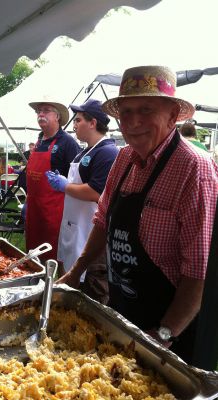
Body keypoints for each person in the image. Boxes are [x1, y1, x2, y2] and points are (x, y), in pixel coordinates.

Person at [57, 65, 218, 364]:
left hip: (170, 329)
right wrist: (76, 272)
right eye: (126, 112)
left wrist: (162, 336)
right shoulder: (124, 159)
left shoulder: (194, 169)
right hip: (123, 309)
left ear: (172, 115)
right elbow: (103, 221)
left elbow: (198, 271)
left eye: (146, 109)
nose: (133, 122)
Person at [46, 99, 119, 304]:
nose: (74, 125)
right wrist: (63, 181)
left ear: (93, 122)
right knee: (70, 281)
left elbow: (96, 192)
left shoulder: (106, 152)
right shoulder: (84, 151)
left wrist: (64, 186)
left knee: (90, 291)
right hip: (73, 227)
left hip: (89, 231)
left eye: (78, 120)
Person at [25, 100, 81, 261]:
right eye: (38, 111)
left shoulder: (67, 142)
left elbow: (76, 178)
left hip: (55, 209)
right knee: (34, 254)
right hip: (34, 207)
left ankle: (53, 282)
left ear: (57, 117)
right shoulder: (39, 140)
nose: (40, 114)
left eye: (46, 110)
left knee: (53, 253)